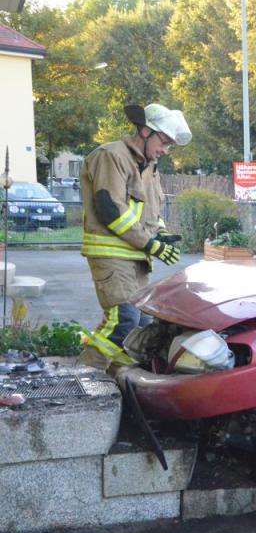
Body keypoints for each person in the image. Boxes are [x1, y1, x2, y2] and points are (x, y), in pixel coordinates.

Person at [77, 103, 191, 372]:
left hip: (136, 258)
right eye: (164, 142)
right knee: (124, 319)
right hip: (111, 255)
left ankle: (119, 380)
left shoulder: (150, 166)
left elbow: (151, 212)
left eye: (170, 145)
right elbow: (111, 209)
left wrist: (162, 236)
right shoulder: (111, 155)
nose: (165, 150)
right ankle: (82, 378)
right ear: (144, 130)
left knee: (141, 327)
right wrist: (151, 244)